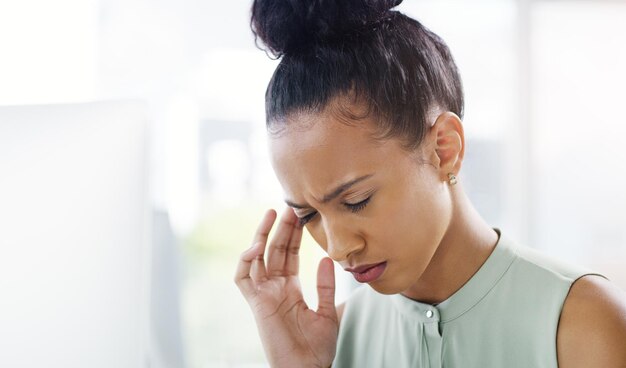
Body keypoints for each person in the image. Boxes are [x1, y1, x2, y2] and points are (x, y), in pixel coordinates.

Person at [234, 0, 626, 367]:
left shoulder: (581, 324)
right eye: (308, 216)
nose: (338, 249)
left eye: (356, 200)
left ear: (444, 148)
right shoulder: (338, 337)